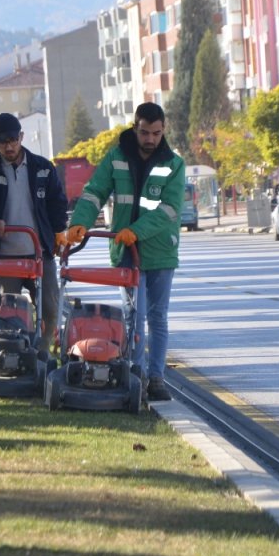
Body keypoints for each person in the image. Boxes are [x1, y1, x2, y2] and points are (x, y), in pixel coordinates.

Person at [64, 102, 184, 402]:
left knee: (157, 317)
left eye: (156, 133)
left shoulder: (174, 164)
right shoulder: (116, 158)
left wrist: (137, 231)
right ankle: (134, 375)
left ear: (163, 130)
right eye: (145, 132)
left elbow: (169, 210)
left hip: (159, 252)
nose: (150, 139)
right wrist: (80, 222)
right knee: (134, 315)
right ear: (135, 127)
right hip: (127, 253)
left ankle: (156, 379)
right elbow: (95, 192)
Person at [0, 113, 69, 352]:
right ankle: (13, 355)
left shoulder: (43, 168)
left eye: (13, 140)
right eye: (2, 142)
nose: (9, 146)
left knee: (50, 310)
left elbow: (57, 203)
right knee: (7, 313)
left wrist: (58, 232)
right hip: (4, 257)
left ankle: (41, 357)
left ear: (21, 137)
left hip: (40, 253)